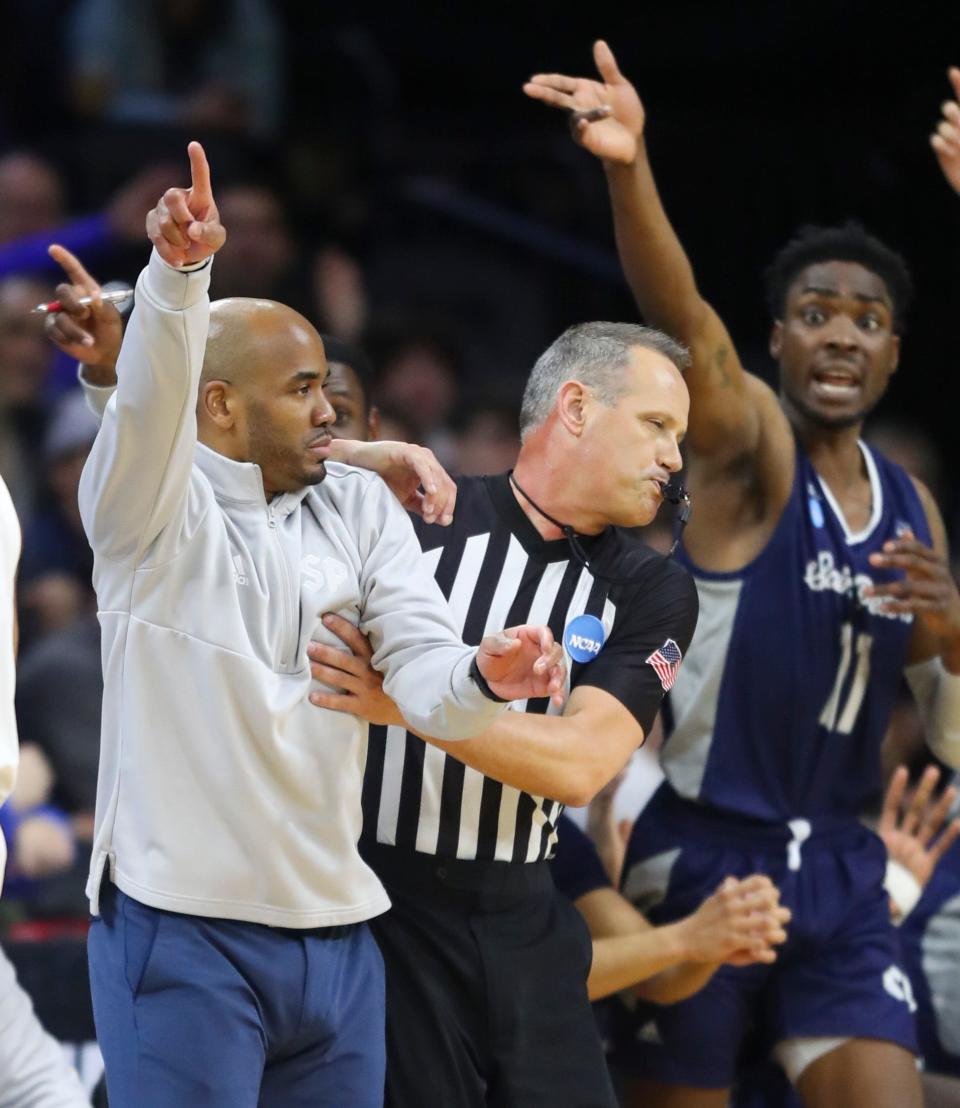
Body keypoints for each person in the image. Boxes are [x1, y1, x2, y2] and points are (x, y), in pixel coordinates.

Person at [57, 142, 565, 1108]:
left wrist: (482, 677)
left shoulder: (362, 504)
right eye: (301, 389)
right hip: (183, 926)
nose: (328, 406)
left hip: (338, 931)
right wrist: (177, 276)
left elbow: (423, 675)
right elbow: (151, 404)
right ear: (220, 407)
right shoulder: (144, 510)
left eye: (326, 381)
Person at [523, 43, 960, 1108]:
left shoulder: (910, 501)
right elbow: (689, 329)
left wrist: (955, 624)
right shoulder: (752, 451)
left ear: (896, 351)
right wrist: (631, 169)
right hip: (709, 854)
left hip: (849, 873)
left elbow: (945, 711)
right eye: (815, 313)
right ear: (776, 341)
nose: (840, 334)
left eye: (866, 319)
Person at [308, 319, 701, 1107]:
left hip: (526, 907)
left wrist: (408, 704)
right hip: (383, 908)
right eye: (657, 426)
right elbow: (230, 456)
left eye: (679, 436)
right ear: (577, 407)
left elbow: (583, 766)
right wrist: (358, 455)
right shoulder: (410, 519)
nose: (674, 457)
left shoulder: (653, 587)